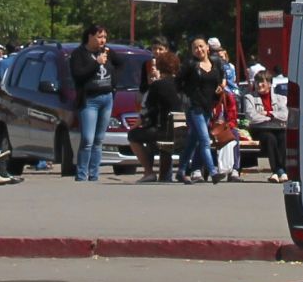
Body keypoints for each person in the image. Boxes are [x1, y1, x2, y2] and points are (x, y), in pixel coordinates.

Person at [68, 24, 126, 182]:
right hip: (89, 100)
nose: (103, 40)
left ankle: (94, 175)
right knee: (88, 139)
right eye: (99, 37)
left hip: (106, 98)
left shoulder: (107, 51)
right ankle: (81, 174)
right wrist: (96, 63)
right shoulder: (79, 54)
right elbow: (78, 75)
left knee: (99, 139)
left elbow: (121, 64)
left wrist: (114, 81)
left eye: (105, 37)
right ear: (90, 36)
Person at [127, 44, 184, 182]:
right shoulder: (182, 84)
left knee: (133, 136)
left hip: (165, 130)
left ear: (159, 66)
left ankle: (149, 172)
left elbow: (147, 109)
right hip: (184, 129)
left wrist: (136, 124)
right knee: (166, 141)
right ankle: (172, 174)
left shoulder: (157, 85)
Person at [175, 37, 225, 185]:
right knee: (204, 139)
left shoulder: (215, 63)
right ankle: (213, 171)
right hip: (194, 106)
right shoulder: (190, 65)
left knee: (192, 141)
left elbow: (221, 78)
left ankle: (180, 171)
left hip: (208, 106)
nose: (199, 50)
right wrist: (185, 97)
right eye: (195, 48)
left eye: (201, 46)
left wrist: (220, 86)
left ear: (207, 48)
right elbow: (178, 82)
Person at [244, 69, 289, 181]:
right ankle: (278, 171)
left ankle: (281, 171)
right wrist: (272, 118)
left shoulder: (281, 98)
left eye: (262, 82)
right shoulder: (249, 97)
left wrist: (268, 113)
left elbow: (285, 115)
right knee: (270, 138)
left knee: (283, 137)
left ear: (269, 84)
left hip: (277, 129)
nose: (259, 85)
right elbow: (251, 116)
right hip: (259, 130)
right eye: (257, 82)